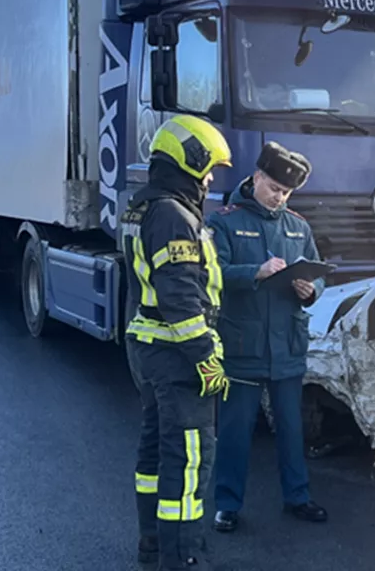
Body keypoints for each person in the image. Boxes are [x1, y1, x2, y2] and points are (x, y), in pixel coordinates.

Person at [121, 114, 233, 570]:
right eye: (208, 169)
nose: (209, 180)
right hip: (176, 355)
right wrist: (207, 359)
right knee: (189, 462)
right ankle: (184, 558)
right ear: (190, 160)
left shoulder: (143, 206)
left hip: (149, 348)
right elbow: (182, 298)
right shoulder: (173, 214)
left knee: (155, 452)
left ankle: (153, 543)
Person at [207, 141, 328, 533]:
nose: (279, 197)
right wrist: (253, 273)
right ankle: (227, 504)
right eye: (274, 188)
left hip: (287, 345)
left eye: (286, 193)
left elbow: (317, 273)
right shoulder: (224, 221)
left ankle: (298, 496)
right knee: (235, 430)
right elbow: (212, 275)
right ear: (257, 177)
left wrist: (313, 289)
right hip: (243, 343)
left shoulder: (298, 226)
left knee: (291, 429)